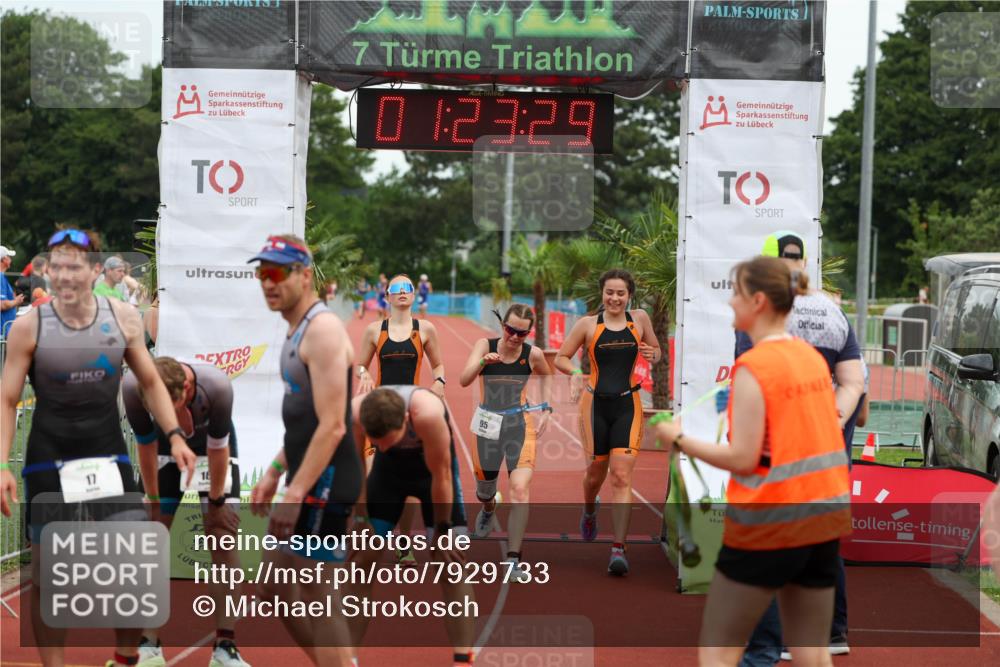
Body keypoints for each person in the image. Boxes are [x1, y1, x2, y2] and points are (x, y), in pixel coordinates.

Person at [0, 229, 197, 667]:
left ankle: (125, 657)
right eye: (57, 265)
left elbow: (149, 380)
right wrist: (1, 464)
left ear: (94, 271)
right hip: (48, 458)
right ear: (47, 272)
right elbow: (8, 399)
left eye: (76, 265)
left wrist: (176, 436)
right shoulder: (29, 326)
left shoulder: (123, 318)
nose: (65, 274)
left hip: (107, 455)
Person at [655, 256, 852, 667]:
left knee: (719, 648)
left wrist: (680, 439)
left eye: (736, 292)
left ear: (758, 301)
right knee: (813, 650)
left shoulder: (755, 366)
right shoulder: (811, 359)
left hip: (769, 521)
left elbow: (743, 458)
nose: (729, 302)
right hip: (823, 516)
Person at [735, 232, 864, 662]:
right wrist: (835, 418)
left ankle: (773, 642)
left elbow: (747, 376)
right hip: (828, 454)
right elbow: (855, 383)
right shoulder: (832, 311)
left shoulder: (763, 314)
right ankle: (830, 631)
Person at [247, 235, 360, 667]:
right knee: (274, 589)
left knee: (318, 593)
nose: (267, 283)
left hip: (327, 480)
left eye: (277, 273)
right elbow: (304, 423)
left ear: (305, 275)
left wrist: (296, 494)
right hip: (305, 476)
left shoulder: (324, 329)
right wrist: (276, 470)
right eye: (261, 273)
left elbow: (333, 425)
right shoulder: (296, 329)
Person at [122, 357, 250, 667]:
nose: (171, 417)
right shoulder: (131, 386)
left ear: (188, 388)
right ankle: (148, 643)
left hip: (213, 450)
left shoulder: (217, 386)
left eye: (174, 406)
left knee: (223, 537)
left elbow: (219, 449)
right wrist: (152, 498)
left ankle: (225, 647)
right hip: (164, 451)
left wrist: (217, 503)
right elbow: (146, 444)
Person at [346, 386, 474, 666]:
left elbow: (441, 475)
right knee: (360, 560)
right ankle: (347, 659)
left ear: (406, 419)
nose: (380, 447)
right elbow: (356, 465)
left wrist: (442, 531)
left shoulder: (427, 414)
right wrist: (360, 520)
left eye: (387, 441)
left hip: (431, 476)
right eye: (376, 443)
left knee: (450, 563)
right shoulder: (356, 413)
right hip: (387, 476)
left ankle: (463, 658)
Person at [554, 269, 661, 576]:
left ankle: (618, 549)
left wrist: (653, 354)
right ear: (602, 294)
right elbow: (562, 357)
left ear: (630, 296)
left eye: (621, 293)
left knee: (621, 476)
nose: (615, 298)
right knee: (595, 473)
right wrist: (575, 374)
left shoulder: (639, 319)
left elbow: (656, 352)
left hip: (628, 404)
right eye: (610, 293)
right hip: (594, 407)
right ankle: (590, 509)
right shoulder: (588, 324)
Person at [355, 273, 447, 566]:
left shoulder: (425, 329)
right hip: (380, 411)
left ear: (414, 295)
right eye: (397, 289)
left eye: (408, 288)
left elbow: (439, 364)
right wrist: (364, 374)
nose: (404, 292)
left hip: (410, 413)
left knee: (407, 486)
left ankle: (404, 542)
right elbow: (359, 364)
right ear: (388, 296)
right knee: (373, 477)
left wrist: (440, 381)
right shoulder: (374, 330)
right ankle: (373, 534)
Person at [459, 304, 552, 578]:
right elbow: (464, 380)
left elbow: (546, 374)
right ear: (503, 326)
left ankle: (513, 560)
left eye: (522, 333)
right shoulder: (483, 344)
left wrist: (546, 408)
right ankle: (489, 507)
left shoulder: (532, 354)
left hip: (519, 425)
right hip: (488, 425)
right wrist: (482, 363)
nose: (514, 337)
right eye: (511, 330)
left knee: (520, 489)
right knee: (484, 491)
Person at [1, 245, 24, 338]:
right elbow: (2, 304)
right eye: (9, 257)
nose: (11, 259)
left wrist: (13, 299)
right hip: (3, 329)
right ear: (4, 260)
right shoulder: (0, 277)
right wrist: (16, 301)